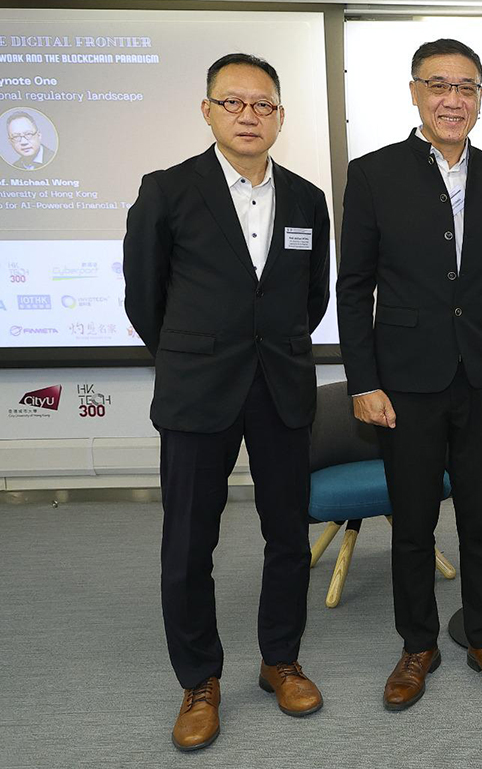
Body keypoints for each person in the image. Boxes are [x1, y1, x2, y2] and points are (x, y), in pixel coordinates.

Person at [124, 53, 330, 751]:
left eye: (263, 104)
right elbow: (144, 299)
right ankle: (199, 680)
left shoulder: (306, 199)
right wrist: (196, 352)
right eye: (234, 102)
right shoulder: (167, 190)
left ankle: (280, 660)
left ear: (279, 115)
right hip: (197, 391)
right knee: (188, 546)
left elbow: (312, 297)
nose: (249, 115)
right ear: (207, 109)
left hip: (280, 387)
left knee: (286, 538)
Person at [337, 38, 482, 709]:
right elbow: (353, 286)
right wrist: (362, 381)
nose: (454, 99)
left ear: (480, 96)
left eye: (467, 87)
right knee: (413, 521)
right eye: (439, 85)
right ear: (415, 92)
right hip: (405, 380)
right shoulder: (373, 174)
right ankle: (417, 644)